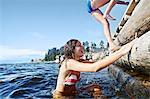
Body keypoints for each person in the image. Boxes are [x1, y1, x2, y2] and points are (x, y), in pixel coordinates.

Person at [53, 38, 137, 98]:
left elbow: (99, 63)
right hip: (61, 96)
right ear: (72, 49)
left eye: (82, 45)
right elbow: (95, 68)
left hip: (74, 93)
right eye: (79, 46)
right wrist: (122, 52)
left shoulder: (80, 61)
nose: (82, 47)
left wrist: (114, 54)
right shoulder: (68, 63)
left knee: (95, 87)